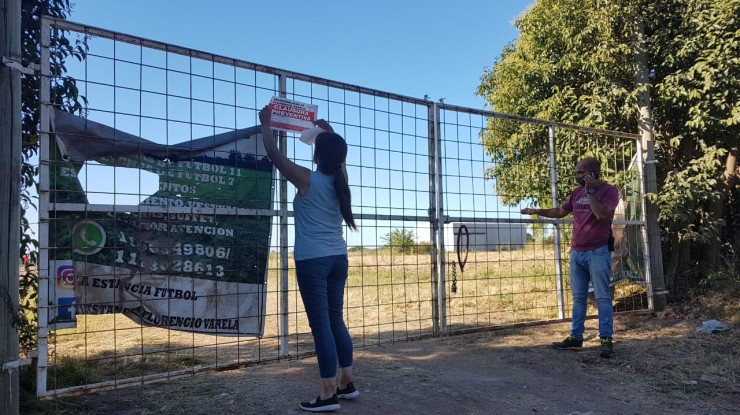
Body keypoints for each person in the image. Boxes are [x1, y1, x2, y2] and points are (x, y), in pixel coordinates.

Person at [259, 105, 360, 412]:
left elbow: (276, 158)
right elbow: (338, 157)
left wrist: (265, 125)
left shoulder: (307, 179)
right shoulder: (340, 180)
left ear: (317, 156)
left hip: (312, 262)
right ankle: (346, 383)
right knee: (335, 320)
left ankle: (328, 394)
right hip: (338, 259)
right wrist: (328, 133)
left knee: (321, 327)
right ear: (340, 159)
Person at [520, 157, 619, 358]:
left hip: (598, 252)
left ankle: (606, 339)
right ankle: (576, 338)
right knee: (579, 298)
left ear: (593, 173)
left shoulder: (609, 191)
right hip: (577, 253)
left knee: (602, 297)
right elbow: (560, 211)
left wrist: (591, 191)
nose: (577, 177)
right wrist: (537, 211)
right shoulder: (576, 193)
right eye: (576, 173)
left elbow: (602, 215)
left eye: (581, 173)